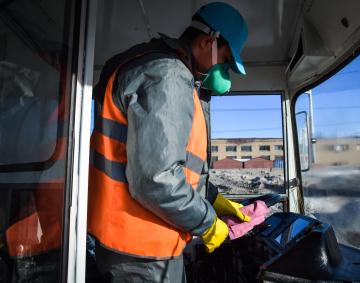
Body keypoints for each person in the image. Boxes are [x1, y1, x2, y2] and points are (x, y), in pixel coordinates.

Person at [88, 2, 250, 282]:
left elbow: (165, 160)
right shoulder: (168, 75)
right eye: (225, 61)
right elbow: (157, 178)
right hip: (142, 249)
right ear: (207, 41)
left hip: (132, 243)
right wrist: (208, 223)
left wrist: (211, 198)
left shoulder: (155, 67)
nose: (225, 73)